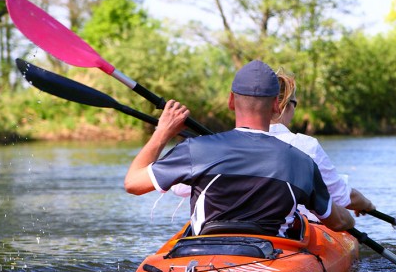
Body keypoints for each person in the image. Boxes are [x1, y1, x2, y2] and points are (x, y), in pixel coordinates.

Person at [124, 60, 355, 237]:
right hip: (269, 257)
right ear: (277, 105)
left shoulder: (196, 149)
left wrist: (162, 132)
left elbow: (133, 183)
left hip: (202, 260)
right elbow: (337, 222)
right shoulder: (300, 161)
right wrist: (350, 220)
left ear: (231, 101)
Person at [269, 70, 376, 216]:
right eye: (294, 103)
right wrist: (367, 204)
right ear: (283, 105)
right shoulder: (306, 145)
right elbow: (342, 196)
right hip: (296, 230)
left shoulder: (238, 143)